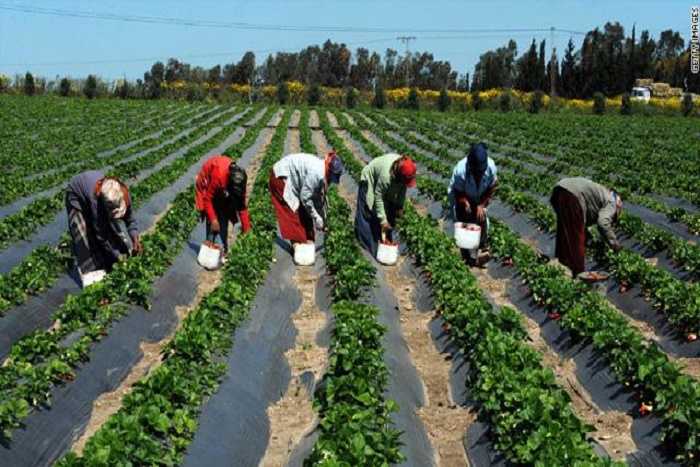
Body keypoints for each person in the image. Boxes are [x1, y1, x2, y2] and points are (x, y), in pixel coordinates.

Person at [65, 170, 143, 282]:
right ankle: (93, 274)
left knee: (112, 230)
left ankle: (109, 259)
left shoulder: (123, 195)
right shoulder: (96, 201)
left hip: (91, 191)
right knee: (85, 237)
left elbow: (130, 219)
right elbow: (102, 235)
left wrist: (135, 238)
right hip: (75, 194)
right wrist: (118, 257)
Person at [550, 177, 623, 276]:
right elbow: (603, 223)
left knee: (565, 236)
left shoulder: (599, 198)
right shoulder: (612, 202)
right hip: (571, 194)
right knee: (577, 243)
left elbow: (582, 226)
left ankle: (560, 270)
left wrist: (593, 243)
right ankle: (578, 276)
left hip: (559, 191)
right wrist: (614, 244)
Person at [270, 151, 344, 249]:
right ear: (329, 171)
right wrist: (317, 217)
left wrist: (323, 221)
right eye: (332, 177)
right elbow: (305, 197)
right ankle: (298, 247)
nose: (331, 180)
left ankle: (307, 242)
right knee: (292, 212)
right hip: (281, 177)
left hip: (295, 181)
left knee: (306, 211)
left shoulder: (322, 174)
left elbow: (318, 199)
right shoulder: (316, 174)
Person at [355, 153, 417, 257]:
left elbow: (403, 189)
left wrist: (399, 206)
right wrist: (383, 220)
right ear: (399, 175)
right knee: (368, 214)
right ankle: (369, 247)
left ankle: (384, 240)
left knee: (388, 212)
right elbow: (378, 197)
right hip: (369, 180)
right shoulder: (386, 176)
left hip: (384, 184)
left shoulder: (403, 170)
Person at [447, 142, 499, 266]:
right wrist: (464, 201)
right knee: (463, 218)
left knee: (481, 217)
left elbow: (492, 187)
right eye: (476, 172)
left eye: (480, 172)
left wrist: (481, 204)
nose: (478, 174)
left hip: (479, 195)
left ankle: (482, 248)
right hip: (462, 194)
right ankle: (465, 254)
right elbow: (458, 191)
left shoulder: (491, 167)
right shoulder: (460, 171)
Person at [195, 155, 250, 254]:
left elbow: (242, 208)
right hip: (209, 179)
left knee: (225, 213)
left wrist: (246, 231)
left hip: (222, 188)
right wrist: (213, 218)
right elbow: (208, 200)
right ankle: (214, 248)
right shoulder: (219, 177)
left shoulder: (240, 183)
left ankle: (222, 248)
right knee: (215, 220)